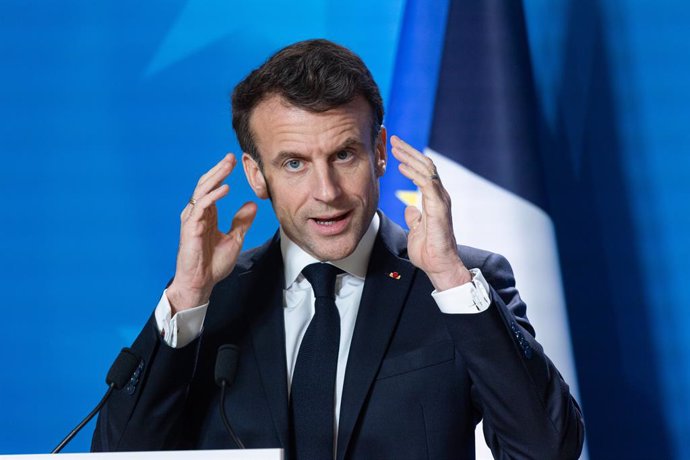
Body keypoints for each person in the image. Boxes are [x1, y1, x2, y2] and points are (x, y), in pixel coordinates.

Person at [92, 39, 584, 459]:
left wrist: (450, 280)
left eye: (344, 154)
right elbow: (120, 455)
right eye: (293, 164)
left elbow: (546, 449)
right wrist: (186, 297)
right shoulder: (210, 299)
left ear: (380, 153)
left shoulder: (460, 284)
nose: (326, 191)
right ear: (256, 174)